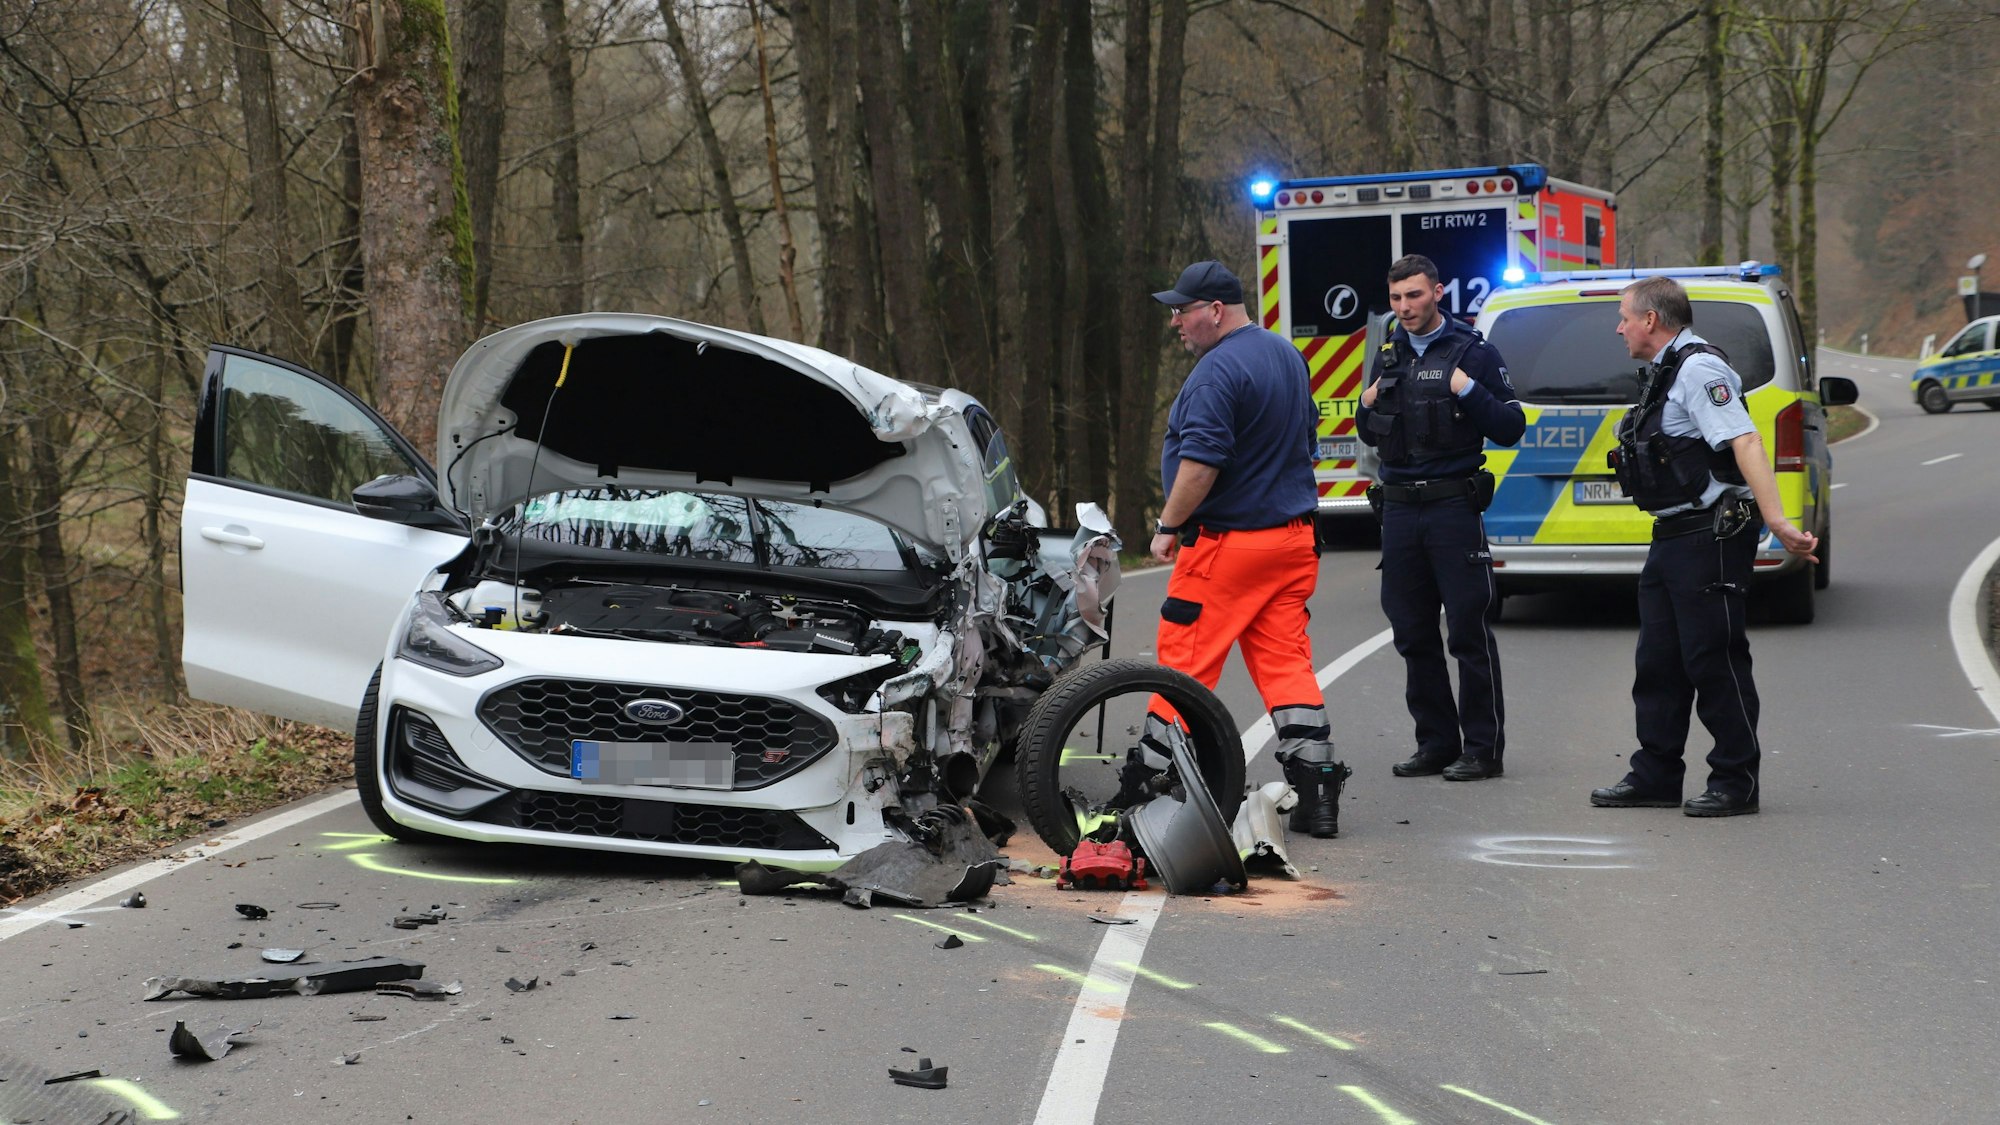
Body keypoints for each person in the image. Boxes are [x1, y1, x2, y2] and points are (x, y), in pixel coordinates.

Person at [1127, 260, 1350, 838]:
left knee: (1185, 662)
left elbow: (1201, 464)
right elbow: (1307, 444)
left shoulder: (1215, 372)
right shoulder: (1286, 356)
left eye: (1182, 311)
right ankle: (1318, 791)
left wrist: (1168, 525)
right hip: (1293, 540)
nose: (1175, 322)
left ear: (1215, 310)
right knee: (1286, 664)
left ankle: (1149, 784)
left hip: (1229, 545)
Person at [1590, 275, 1817, 817]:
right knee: (1658, 663)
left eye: (1625, 317)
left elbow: (1745, 440)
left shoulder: (1699, 369)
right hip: (1672, 536)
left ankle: (1736, 782)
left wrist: (1776, 520)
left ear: (1650, 319)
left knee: (1713, 660)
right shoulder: (1666, 370)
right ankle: (1656, 775)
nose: (1619, 328)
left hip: (1709, 536)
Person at [1354, 254, 1525, 782]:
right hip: (1400, 510)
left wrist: (1467, 390)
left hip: (1453, 507)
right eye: (1397, 298)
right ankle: (1435, 743)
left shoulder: (1474, 351)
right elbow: (1371, 431)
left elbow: (1510, 427)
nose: (1405, 307)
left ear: (1437, 293)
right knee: (1412, 632)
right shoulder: (1389, 354)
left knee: (1468, 631)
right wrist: (1365, 406)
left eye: (1415, 295)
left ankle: (1482, 749)